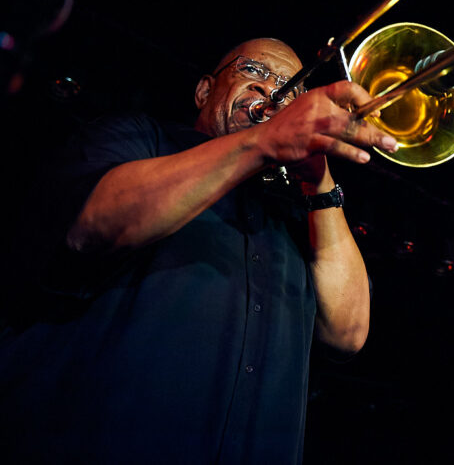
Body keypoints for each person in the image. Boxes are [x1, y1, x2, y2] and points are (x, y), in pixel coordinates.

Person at [0, 38, 397, 463]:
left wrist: (319, 181)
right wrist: (262, 142)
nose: (274, 93)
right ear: (205, 91)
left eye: (290, 87)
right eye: (255, 72)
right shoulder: (140, 137)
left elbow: (347, 334)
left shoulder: (297, 215)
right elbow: (91, 224)